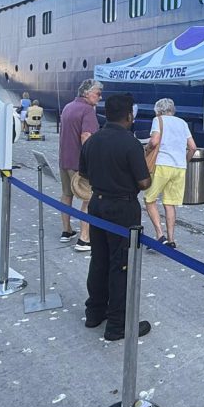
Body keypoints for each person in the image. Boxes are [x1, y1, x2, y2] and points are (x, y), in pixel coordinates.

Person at [78, 93, 151, 341]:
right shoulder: (130, 143)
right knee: (121, 264)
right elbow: (144, 183)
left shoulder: (92, 141)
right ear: (129, 116)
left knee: (99, 259)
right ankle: (118, 324)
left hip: (97, 204)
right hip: (122, 208)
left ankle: (94, 312)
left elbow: (84, 174)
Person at [143, 98, 196, 249]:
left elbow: (154, 141)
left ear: (158, 111)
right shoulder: (182, 123)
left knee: (149, 199)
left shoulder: (158, 120)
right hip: (179, 167)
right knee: (170, 203)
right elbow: (192, 147)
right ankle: (171, 239)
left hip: (162, 164)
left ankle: (160, 235)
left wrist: (147, 150)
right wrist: (184, 161)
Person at [60, 79, 102, 250]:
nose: (100, 97)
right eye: (98, 93)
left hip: (65, 160)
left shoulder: (68, 107)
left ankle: (66, 230)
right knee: (88, 198)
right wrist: (93, 161)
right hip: (80, 164)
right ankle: (84, 239)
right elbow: (86, 137)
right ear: (87, 93)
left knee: (66, 194)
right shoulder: (87, 110)